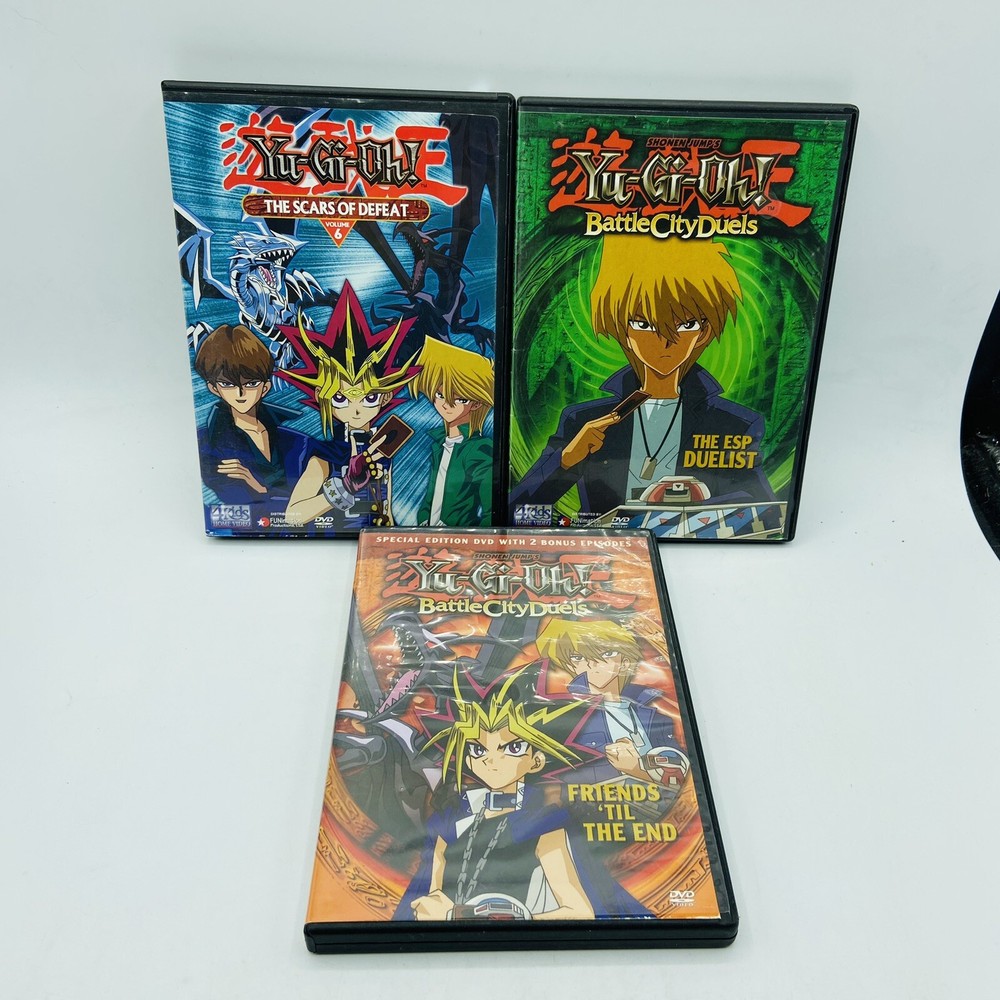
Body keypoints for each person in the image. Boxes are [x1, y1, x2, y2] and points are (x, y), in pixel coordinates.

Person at [510, 235, 774, 520]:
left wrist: (697, 509)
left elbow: (767, 513)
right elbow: (515, 511)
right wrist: (566, 460)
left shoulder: (735, 424)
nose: (665, 341)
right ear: (623, 329)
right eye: (644, 324)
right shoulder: (584, 421)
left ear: (704, 332)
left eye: (686, 325)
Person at [397, 669, 647, 921]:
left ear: (537, 761)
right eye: (478, 749)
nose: (492, 760)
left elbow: (579, 910)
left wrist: (461, 916)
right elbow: (431, 895)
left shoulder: (543, 823)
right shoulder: (449, 818)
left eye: (512, 748)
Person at [278, 282, 421, 529]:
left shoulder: (384, 447)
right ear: (323, 397)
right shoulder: (326, 455)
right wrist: (345, 486)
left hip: (377, 542)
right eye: (341, 399)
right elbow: (292, 516)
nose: (356, 409)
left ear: (385, 396)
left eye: (369, 398)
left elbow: (385, 508)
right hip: (336, 541)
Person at [536, 619, 688, 788]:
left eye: (607, 654)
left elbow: (682, 775)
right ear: (570, 666)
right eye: (578, 657)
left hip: (661, 800)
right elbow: (562, 781)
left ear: (624, 662)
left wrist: (638, 770)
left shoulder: (654, 716)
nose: (592, 663)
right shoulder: (568, 718)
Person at [193, 323, 309, 507]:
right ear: (214, 388)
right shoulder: (208, 443)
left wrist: (259, 486)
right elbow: (234, 498)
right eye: (228, 384)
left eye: (251, 383)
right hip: (254, 521)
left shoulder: (288, 435)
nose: (240, 393)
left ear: (265, 388)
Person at [409, 339, 494, 526]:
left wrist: (465, 536)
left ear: (476, 403)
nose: (446, 404)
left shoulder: (479, 449)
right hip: (430, 535)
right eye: (440, 395)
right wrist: (423, 521)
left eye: (460, 399)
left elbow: (491, 512)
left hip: (460, 538)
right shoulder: (439, 445)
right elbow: (431, 496)